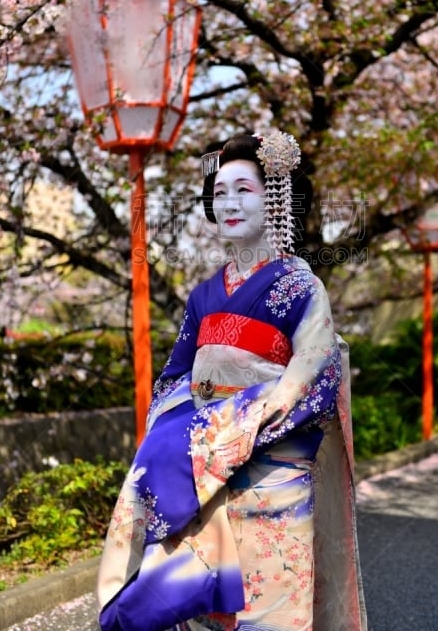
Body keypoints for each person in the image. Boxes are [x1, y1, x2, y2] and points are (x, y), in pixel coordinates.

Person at [97, 131, 367, 631]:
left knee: (270, 609)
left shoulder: (302, 287)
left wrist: (225, 434)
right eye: (219, 194)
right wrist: (184, 436)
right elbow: (173, 378)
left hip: (271, 475)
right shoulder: (203, 295)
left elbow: (316, 381)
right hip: (202, 481)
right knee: (201, 610)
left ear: (276, 197)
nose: (229, 204)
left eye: (243, 189)